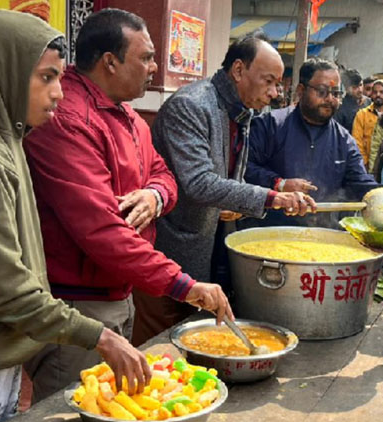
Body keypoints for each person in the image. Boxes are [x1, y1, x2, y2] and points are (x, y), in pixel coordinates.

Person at [21, 8, 232, 402]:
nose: (154, 67)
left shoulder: (128, 117)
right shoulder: (67, 120)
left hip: (119, 290)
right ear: (110, 62)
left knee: (111, 401)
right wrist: (184, 285)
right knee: (72, 412)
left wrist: (155, 196)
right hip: (77, 303)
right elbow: (102, 230)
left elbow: (165, 174)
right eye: (146, 57)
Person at [0, 10, 152, 422]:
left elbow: (162, 172)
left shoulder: (10, 135)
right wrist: (100, 336)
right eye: (46, 78)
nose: (58, 93)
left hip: (4, 354)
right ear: (4, 71)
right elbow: (8, 293)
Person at [135, 32, 316, 346]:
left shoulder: (241, 113)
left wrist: (232, 203)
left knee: (193, 341)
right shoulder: (191, 106)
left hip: (209, 247)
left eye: (278, 84)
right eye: (269, 81)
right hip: (169, 249)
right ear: (238, 70)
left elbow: (227, 180)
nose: (274, 93)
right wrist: (273, 196)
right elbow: (199, 182)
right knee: (160, 345)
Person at [244, 58, 380, 229]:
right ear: (301, 90)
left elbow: (361, 183)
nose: (330, 99)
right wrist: (279, 183)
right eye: (322, 92)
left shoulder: (344, 141)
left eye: (336, 94)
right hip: (268, 232)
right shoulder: (270, 125)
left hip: (321, 238)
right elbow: (244, 169)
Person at [350, 78, 383, 170]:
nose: (378, 95)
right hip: (365, 165)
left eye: (382, 92)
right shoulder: (362, 114)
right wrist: (364, 163)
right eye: (375, 92)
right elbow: (357, 141)